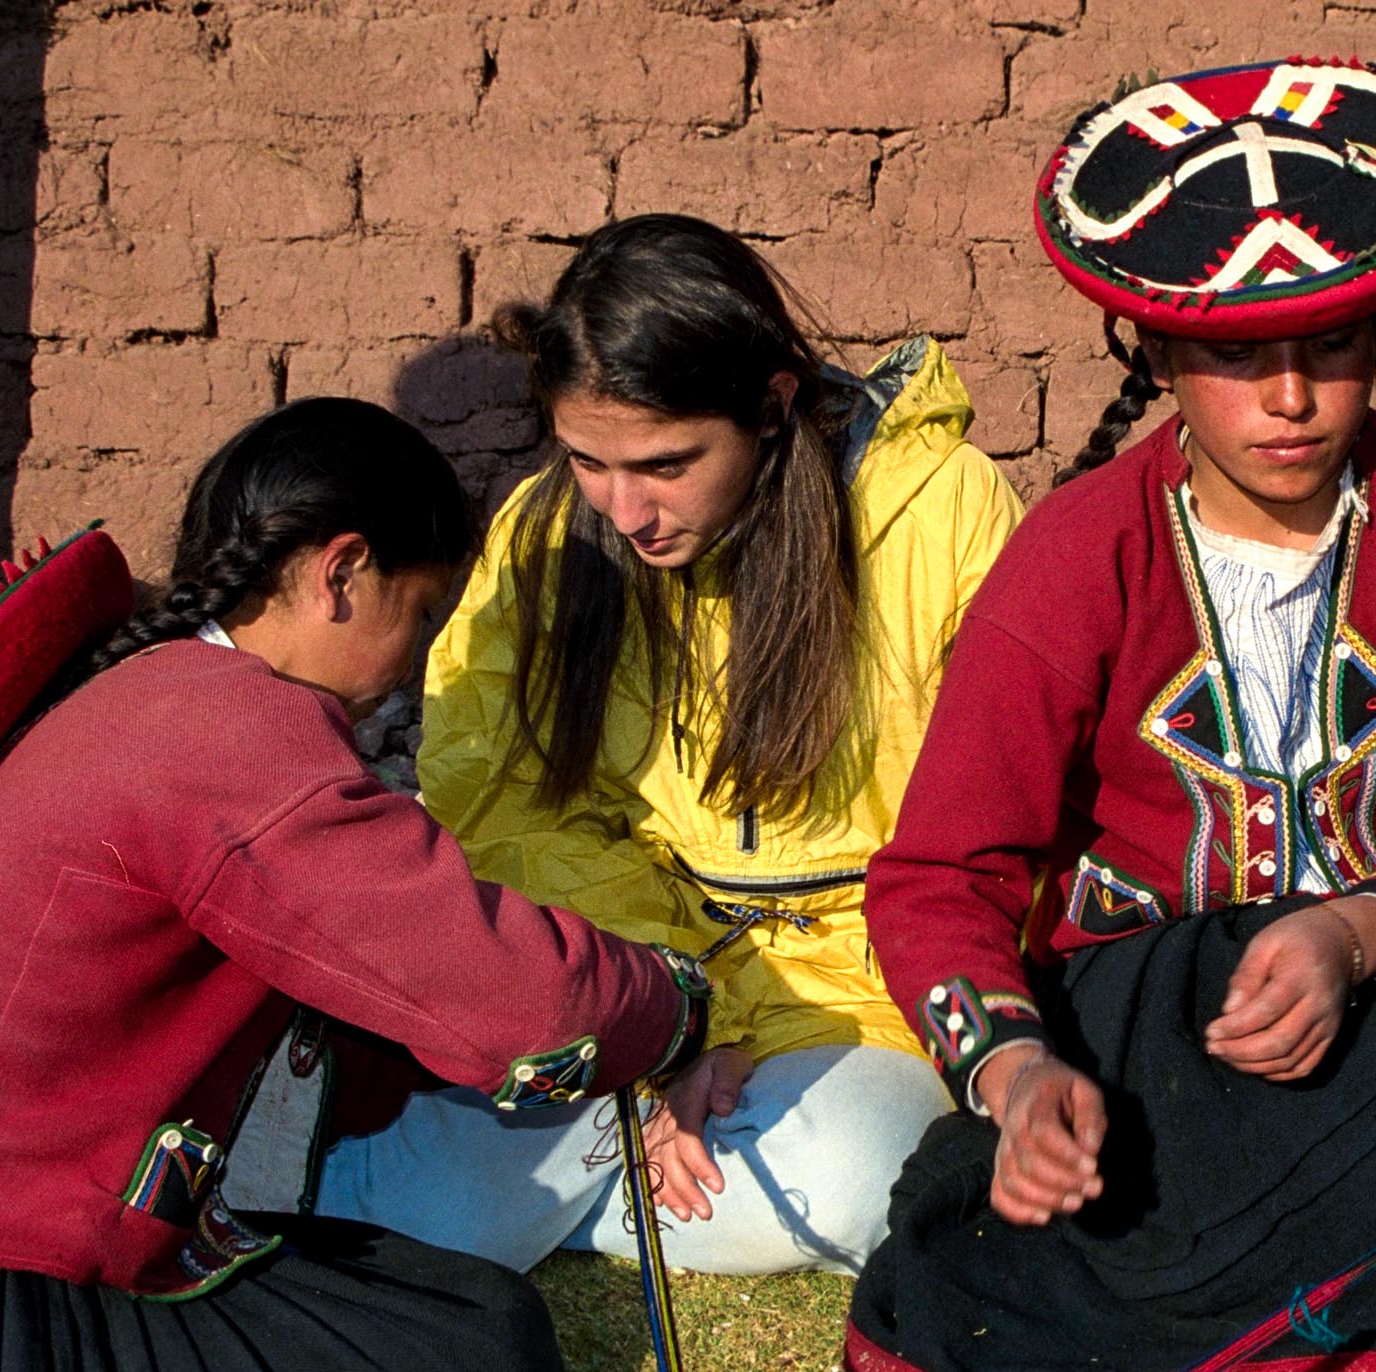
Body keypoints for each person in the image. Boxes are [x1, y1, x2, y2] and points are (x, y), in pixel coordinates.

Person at [846, 60, 1376, 1372]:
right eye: (1238, 357)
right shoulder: (1072, 561)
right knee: (1033, 1220)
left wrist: (1355, 934)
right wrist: (1015, 1075)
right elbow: (943, 873)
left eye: (1338, 345)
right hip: (1151, 999)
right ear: (1158, 355)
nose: (1292, 397)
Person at [0, 397, 709, 1372]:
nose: (414, 662)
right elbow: (526, 1003)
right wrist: (670, 1007)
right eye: (422, 613)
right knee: (474, 1354)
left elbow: (362, 984)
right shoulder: (238, 736)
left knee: (441, 1301)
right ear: (342, 572)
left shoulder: (153, 694)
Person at [314, 213, 1022, 1277]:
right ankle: (619, 1172)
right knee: (446, 1210)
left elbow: (988, 822)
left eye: (665, 463)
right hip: (629, 970)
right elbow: (504, 806)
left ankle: (594, 1190)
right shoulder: (549, 528)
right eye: (588, 461)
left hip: (862, 994)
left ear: (772, 405)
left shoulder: (943, 510)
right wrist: (677, 1012)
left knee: (858, 1177)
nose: (626, 509)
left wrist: (734, 1032)